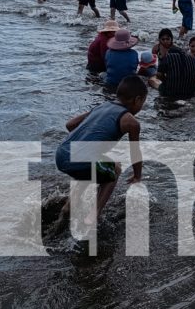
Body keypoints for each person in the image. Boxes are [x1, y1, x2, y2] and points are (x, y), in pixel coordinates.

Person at [55, 75, 146, 225]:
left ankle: (69, 207)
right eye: (142, 103)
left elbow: (70, 125)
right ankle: (93, 216)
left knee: (95, 164)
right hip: (79, 159)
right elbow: (135, 151)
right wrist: (137, 176)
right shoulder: (131, 122)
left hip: (61, 154)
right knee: (114, 169)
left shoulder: (102, 106)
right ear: (137, 100)